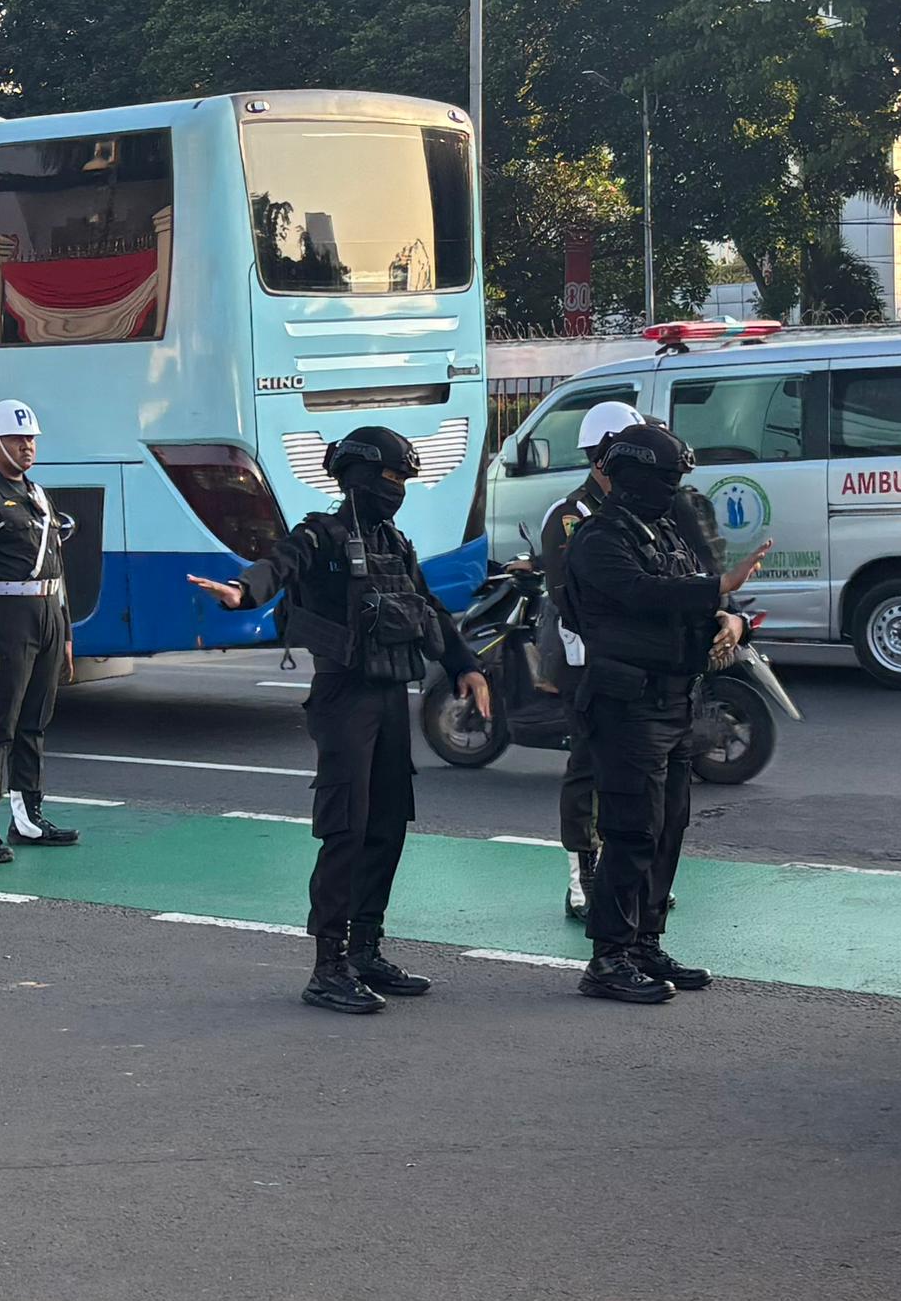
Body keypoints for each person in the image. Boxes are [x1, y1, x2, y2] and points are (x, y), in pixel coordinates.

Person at [187, 423, 490, 1015]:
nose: (397, 488)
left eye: (404, 479)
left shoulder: (395, 544)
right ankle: (327, 967)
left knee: (387, 825)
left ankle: (366, 950)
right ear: (358, 475)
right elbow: (277, 566)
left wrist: (465, 666)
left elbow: (427, 610)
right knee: (345, 829)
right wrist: (243, 593)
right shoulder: (320, 536)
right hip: (343, 698)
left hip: (389, 698)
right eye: (390, 477)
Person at [558, 419, 728, 1007]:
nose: (674, 488)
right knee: (630, 832)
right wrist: (715, 592)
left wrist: (730, 619)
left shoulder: (664, 531)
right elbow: (643, 596)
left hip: (676, 698)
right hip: (627, 704)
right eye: (666, 478)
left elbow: (696, 592)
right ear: (634, 477)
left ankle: (644, 942)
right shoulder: (600, 537)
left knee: (668, 829)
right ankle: (608, 957)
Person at [0, 399, 78, 862]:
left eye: (31, 440)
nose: (27, 447)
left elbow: (57, 567)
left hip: (45, 612)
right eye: (18, 439)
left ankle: (28, 817)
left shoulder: (39, 495)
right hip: (6, 616)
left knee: (35, 720)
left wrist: (64, 632)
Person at [537, 400, 644, 923]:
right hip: (587, 665)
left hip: (639, 665)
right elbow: (570, 598)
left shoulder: (648, 512)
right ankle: (583, 876)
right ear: (602, 458)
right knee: (587, 769)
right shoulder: (570, 518)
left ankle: (630, 875)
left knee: (638, 773)